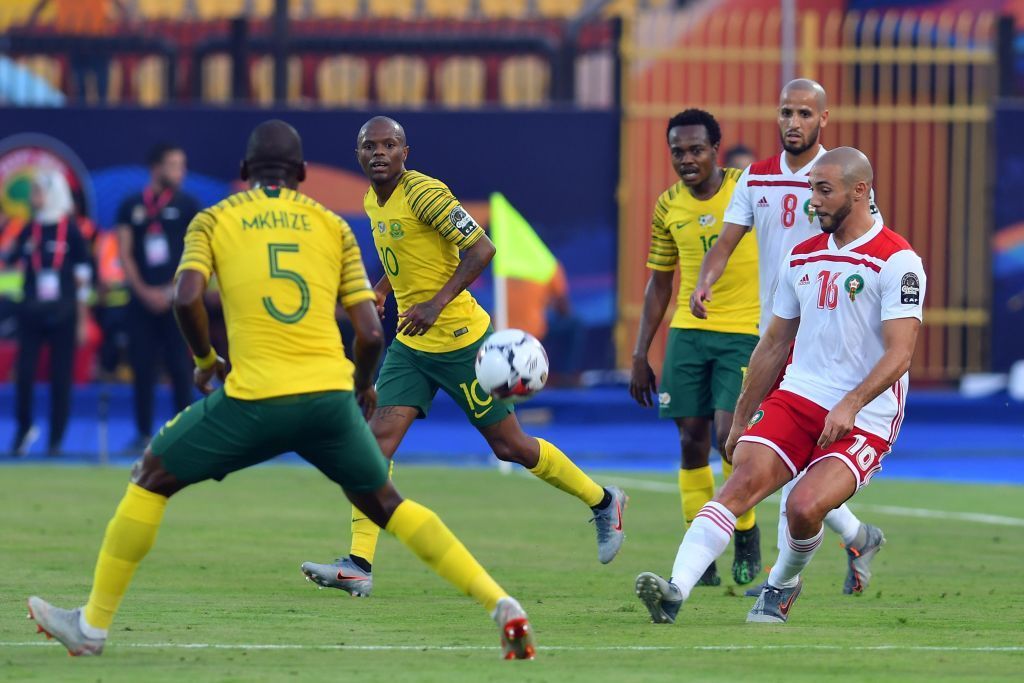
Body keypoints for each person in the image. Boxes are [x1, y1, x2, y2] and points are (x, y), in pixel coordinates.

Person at [26, 119, 536, 660]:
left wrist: (204, 360)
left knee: (151, 476)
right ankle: (499, 603)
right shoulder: (332, 225)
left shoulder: (215, 218)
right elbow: (367, 331)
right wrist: (362, 388)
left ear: (244, 172)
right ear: (303, 174)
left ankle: (93, 626)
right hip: (328, 399)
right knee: (387, 503)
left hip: (253, 399)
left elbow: (185, 297)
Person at [300, 116, 626, 597]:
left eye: (390, 145)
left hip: (463, 343)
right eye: (370, 146)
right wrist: (385, 287)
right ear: (358, 155)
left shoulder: (426, 193)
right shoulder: (373, 199)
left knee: (510, 446)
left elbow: (481, 248)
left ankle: (603, 501)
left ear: (406, 152)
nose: (380, 153)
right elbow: (410, 254)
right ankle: (358, 564)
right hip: (412, 346)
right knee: (374, 446)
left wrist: (435, 303)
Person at [635, 147, 926, 625]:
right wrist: (743, 413)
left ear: (860, 191)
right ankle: (674, 591)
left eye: (823, 190)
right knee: (740, 482)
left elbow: (901, 353)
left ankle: (782, 585)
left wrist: (851, 404)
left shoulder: (898, 261)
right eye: (811, 188)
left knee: (804, 506)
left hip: (866, 413)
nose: (813, 202)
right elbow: (773, 344)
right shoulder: (802, 256)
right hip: (799, 393)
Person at [690, 78, 885, 595]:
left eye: (803, 113)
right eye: (785, 112)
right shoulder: (754, 179)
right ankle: (858, 535)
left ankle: (779, 579)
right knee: (774, 456)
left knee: (783, 457)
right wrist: (705, 280)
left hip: (822, 344)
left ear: (823, 118)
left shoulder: (844, 177)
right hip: (773, 333)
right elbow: (725, 242)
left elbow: (870, 250)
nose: (793, 122)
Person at [629, 109, 761, 587]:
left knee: (730, 436)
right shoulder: (668, 206)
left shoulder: (747, 191)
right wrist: (641, 352)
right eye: (678, 151)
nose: (687, 159)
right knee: (690, 440)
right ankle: (696, 548)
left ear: (715, 150)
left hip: (744, 331)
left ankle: (744, 530)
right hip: (689, 332)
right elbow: (660, 284)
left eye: (696, 149)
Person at [115, 144, 200, 451]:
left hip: (177, 300)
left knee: (180, 367)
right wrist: (143, 290)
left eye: (182, 165)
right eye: (175, 165)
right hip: (140, 301)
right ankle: (142, 435)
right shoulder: (130, 205)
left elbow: (197, 252)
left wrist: (170, 290)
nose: (181, 171)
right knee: (142, 367)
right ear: (156, 168)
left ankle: (183, 435)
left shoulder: (189, 205)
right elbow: (123, 252)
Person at [3, 169, 92, 457]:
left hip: (64, 313)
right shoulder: (30, 227)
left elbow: (85, 274)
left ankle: (56, 438)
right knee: (25, 373)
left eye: (39, 191)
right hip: (31, 312)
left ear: (53, 193)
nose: (33, 197)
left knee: (60, 376)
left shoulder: (72, 230)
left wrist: (81, 317)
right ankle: (24, 428)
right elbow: (12, 258)